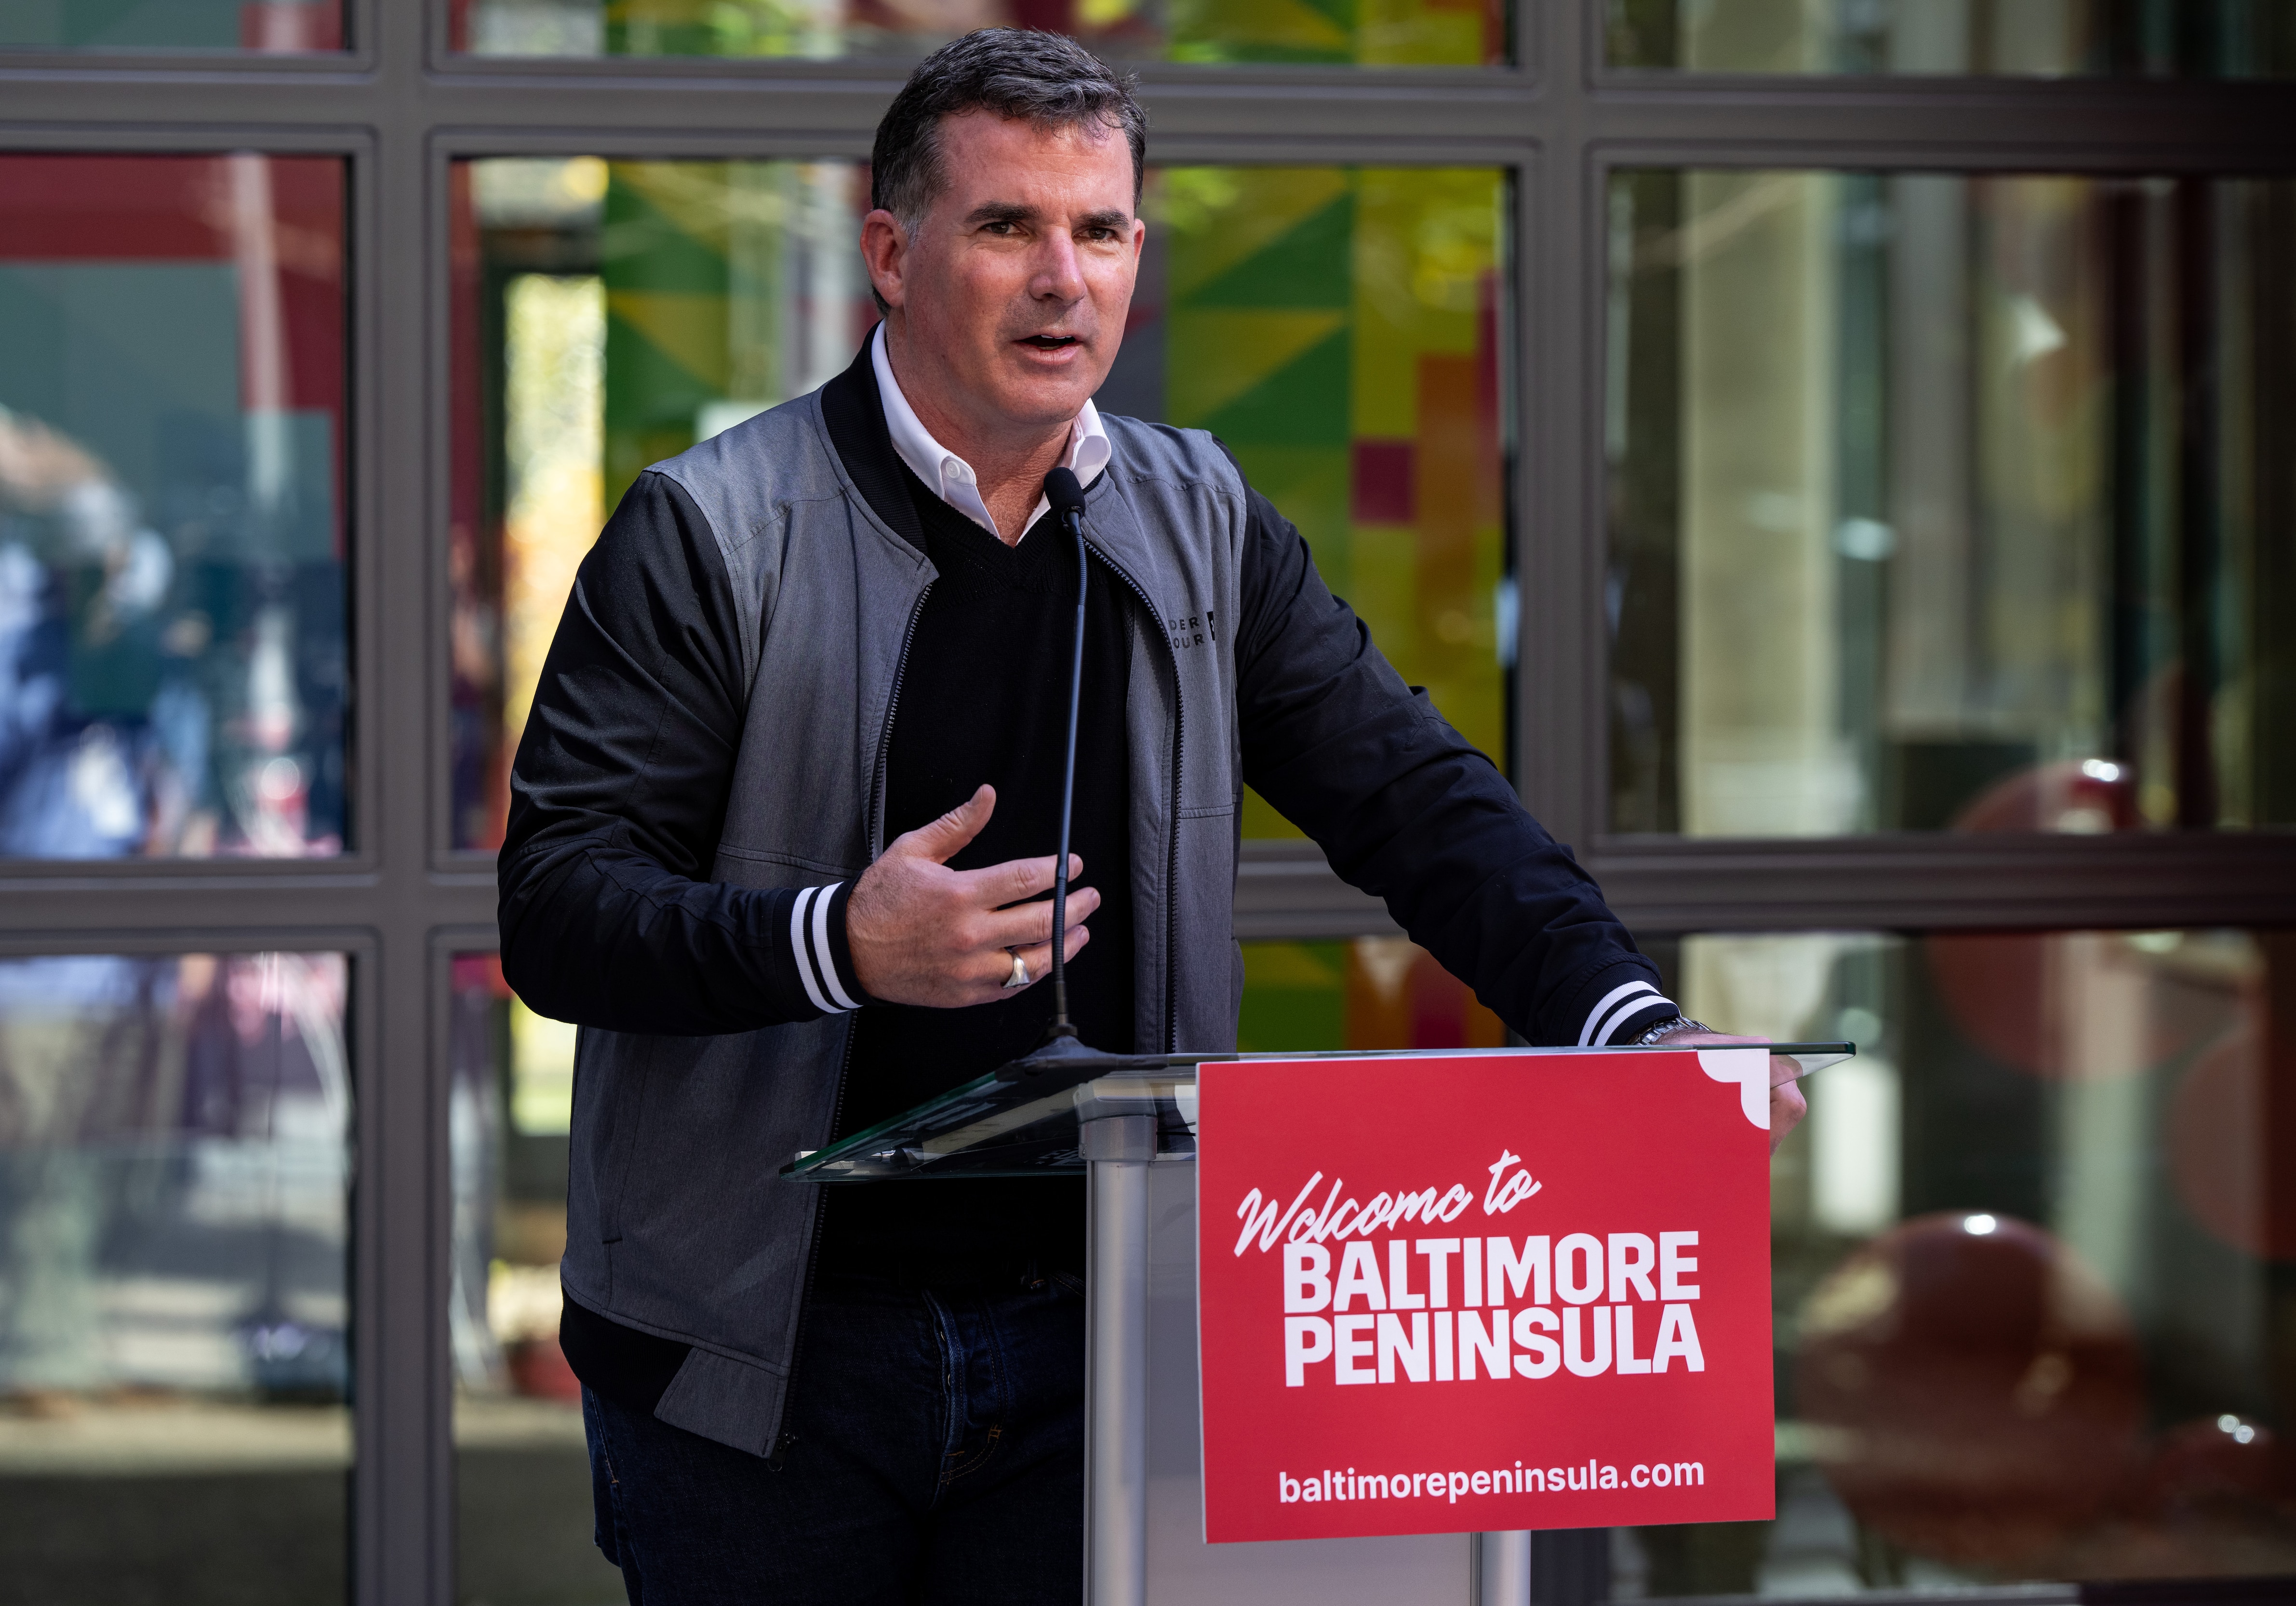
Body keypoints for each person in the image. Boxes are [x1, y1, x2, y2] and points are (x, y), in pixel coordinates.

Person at [497, 26, 1804, 1605]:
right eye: (1008, 228)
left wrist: (1627, 1024)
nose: (1066, 277)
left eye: (1101, 230)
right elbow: (558, 908)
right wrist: (838, 942)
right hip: (762, 1357)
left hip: (1108, 1327)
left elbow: (1411, 797)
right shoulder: (708, 532)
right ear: (893, 256)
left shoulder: (1204, 519)